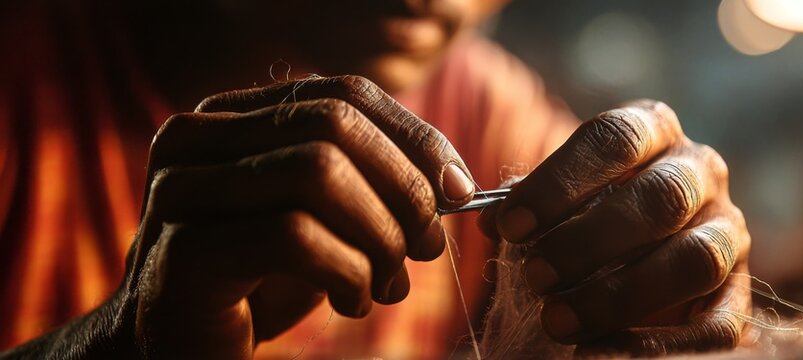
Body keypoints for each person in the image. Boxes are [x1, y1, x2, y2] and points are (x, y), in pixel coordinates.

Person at [0, 0, 751, 358]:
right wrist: (122, 345)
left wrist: (673, 274)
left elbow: (643, 286)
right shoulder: (23, 78)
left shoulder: (484, 110)